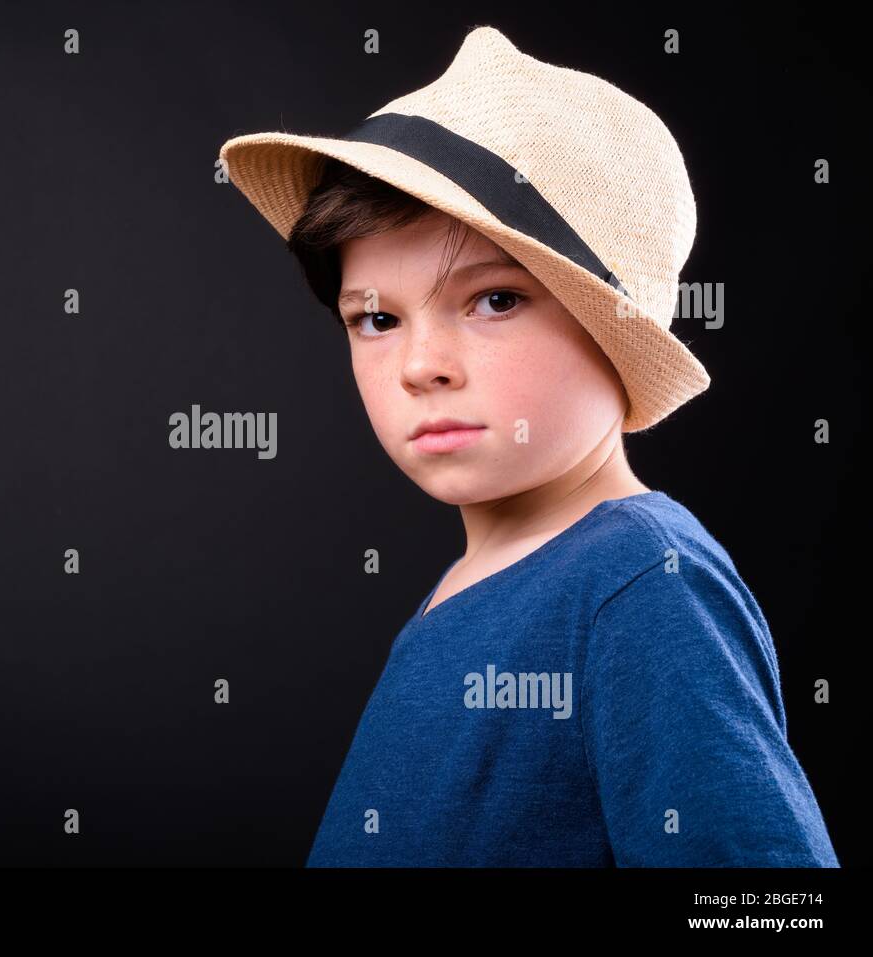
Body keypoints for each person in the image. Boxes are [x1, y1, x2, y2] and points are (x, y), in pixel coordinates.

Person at [217, 25, 838, 866]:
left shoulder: (642, 585)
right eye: (377, 318)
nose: (421, 366)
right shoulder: (475, 585)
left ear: (617, 332)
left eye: (495, 300)